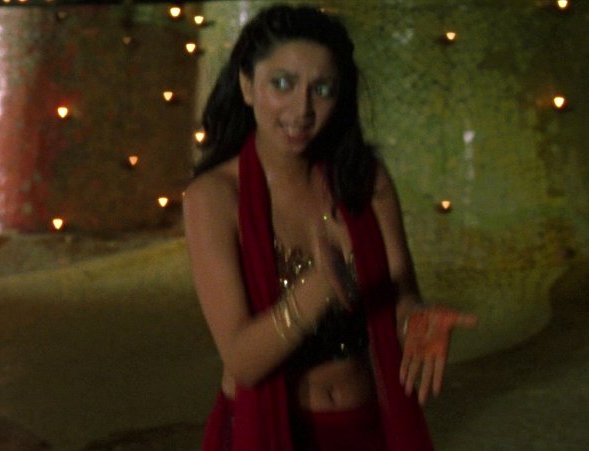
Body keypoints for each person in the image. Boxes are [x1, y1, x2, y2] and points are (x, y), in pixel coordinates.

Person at [183, 5, 477, 451]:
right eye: (282, 84)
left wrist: (416, 320)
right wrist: (320, 288)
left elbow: (399, 295)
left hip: (365, 426)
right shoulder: (214, 196)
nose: (302, 109)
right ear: (247, 85)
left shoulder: (363, 180)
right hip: (269, 430)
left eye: (322, 89)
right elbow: (243, 362)